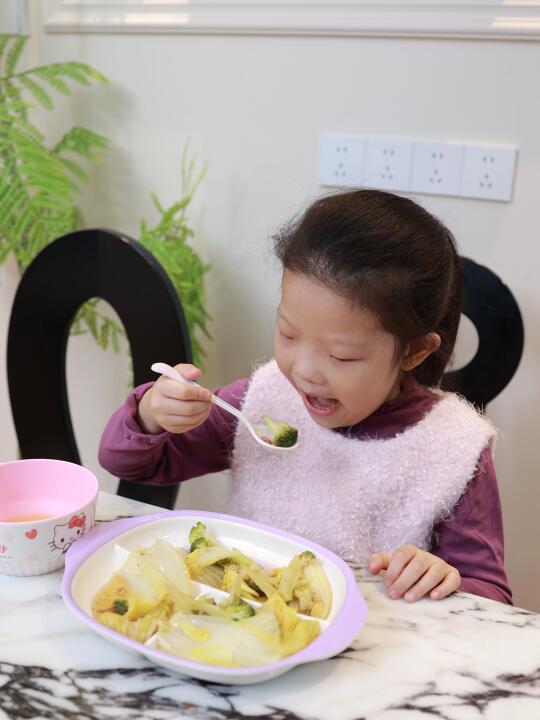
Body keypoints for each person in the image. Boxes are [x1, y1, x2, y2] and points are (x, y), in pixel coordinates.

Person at [99, 189, 512, 605]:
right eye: (288, 333)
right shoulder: (262, 403)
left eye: (342, 356)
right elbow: (129, 462)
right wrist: (152, 414)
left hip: (368, 656)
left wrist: (444, 579)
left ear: (415, 351)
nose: (304, 370)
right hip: (248, 634)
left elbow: (493, 598)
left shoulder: (454, 451)